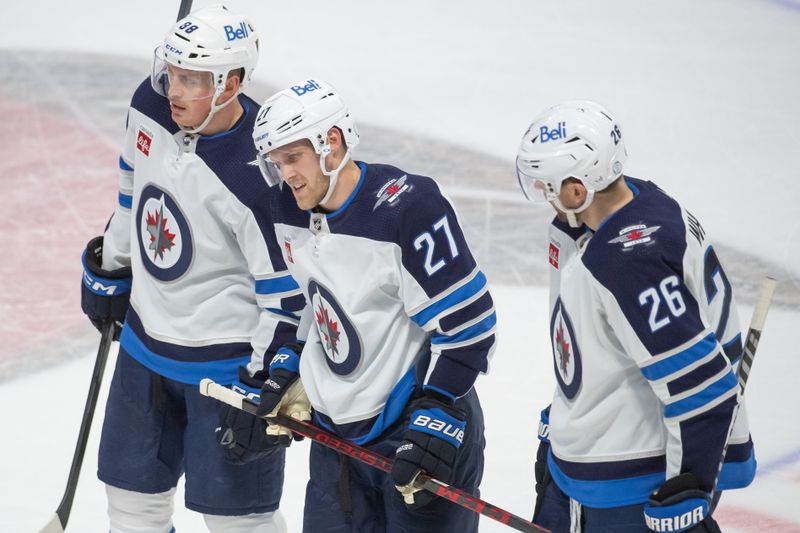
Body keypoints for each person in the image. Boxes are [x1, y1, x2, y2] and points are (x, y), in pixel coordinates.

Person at [79, 6, 301, 532]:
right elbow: (132, 193)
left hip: (225, 374)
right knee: (132, 509)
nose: (173, 90)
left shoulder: (263, 177)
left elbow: (287, 295)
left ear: (233, 84)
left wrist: (267, 380)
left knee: (237, 522)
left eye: (192, 79)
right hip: (143, 348)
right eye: (172, 72)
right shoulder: (149, 105)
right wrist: (113, 264)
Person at [247, 79, 497, 532]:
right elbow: (311, 305)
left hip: (415, 428)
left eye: (294, 157)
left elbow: (469, 325)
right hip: (337, 436)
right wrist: (289, 365)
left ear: (332, 142)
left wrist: (437, 414)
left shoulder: (407, 207)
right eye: (276, 162)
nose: (286, 174)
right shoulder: (285, 208)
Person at [515, 100, 756, 533]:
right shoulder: (635, 201)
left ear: (576, 189)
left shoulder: (627, 261)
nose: (543, 197)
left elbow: (703, 385)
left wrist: (690, 487)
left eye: (546, 186)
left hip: (632, 484)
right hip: (604, 459)